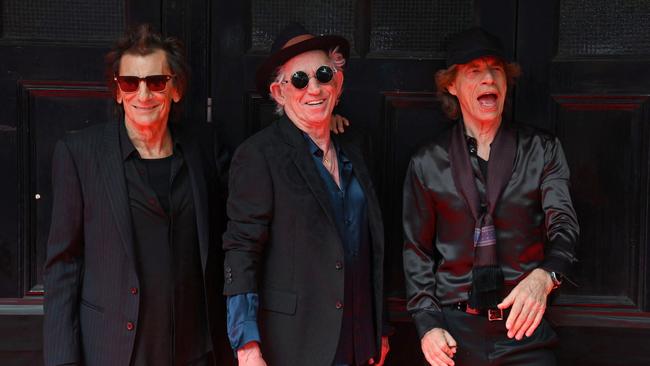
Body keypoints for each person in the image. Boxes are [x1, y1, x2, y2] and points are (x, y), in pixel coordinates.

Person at [43, 24, 231, 366]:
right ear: (118, 91)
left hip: (195, 350)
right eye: (131, 83)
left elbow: (244, 215)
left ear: (175, 89)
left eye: (156, 82)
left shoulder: (204, 146)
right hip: (116, 350)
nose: (143, 95)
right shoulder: (80, 154)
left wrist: (315, 123)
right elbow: (63, 265)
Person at [402, 27, 579, 366]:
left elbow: (564, 229)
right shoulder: (426, 162)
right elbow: (417, 252)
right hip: (453, 335)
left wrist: (546, 277)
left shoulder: (542, 150)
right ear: (451, 85)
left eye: (495, 69)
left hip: (524, 331)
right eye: (474, 70)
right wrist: (427, 326)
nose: (488, 79)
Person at [222, 23, 390, 366]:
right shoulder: (258, 155)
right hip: (293, 344)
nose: (313, 87)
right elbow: (241, 251)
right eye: (299, 80)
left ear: (338, 83)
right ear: (279, 92)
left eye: (323, 75)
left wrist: (378, 327)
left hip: (357, 340)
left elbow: (370, 245)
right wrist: (246, 344)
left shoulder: (357, 146)